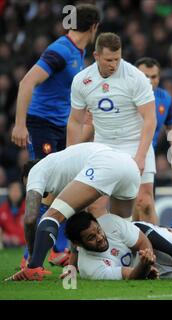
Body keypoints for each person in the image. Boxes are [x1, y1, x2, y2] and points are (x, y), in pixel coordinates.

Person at [10, 3, 100, 267]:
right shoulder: (60, 51)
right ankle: (31, 257)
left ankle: (56, 249)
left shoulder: (77, 51)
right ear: (94, 27)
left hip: (59, 126)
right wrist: (19, 124)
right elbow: (27, 82)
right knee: (45, 187)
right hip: (42, 125)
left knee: (65, 188)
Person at [5, 142, 142, 281]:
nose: (31, 190)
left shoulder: (35, 171)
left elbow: (29, 219)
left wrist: (32, 255)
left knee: (51, 216)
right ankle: (147, 264)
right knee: (123, 231)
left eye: (28, 185)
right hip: (130, 166)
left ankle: (34, 269)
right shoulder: (63, 172)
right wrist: (72, 267)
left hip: (104, 162)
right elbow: (77, 224)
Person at [66, 32, 157, 223]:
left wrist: (140, 156)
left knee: (145, 202)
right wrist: (70, 156)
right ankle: (110, 247)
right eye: (108, 60)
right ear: (96, 56)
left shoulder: (136, 77)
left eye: (117, 59)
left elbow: (150, 118)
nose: (114, 64)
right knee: (95, 206)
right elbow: (75, 121)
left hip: (135, 144)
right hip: (104, 146)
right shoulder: (82, 81)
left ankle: (152, 251)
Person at [63, 211, 172, 280]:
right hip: (143, 265)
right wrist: (145, 266)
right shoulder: (90, 268)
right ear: (79, 244)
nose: (100, 237)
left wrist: (150, 258)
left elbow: (142, 239)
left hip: (151, 241)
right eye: (92, 237)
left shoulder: (109, 222)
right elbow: (129, 275)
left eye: (98, 231)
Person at [133, 57, 172, 224]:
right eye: (145, 76)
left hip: (146, 155)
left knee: (144, 203)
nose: (150, 81)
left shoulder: (163, 98)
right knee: (131, 204)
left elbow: (171, 122)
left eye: (154, 77)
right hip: (122, 151)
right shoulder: (125, 94)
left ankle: (151, 247)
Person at [0, 181, 26, 247]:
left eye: (17, 191)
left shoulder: (28, 208)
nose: (15, 194)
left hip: (26, 244)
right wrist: (6, 238)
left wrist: (20, 240)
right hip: (7, 244)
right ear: (8, 192)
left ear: (22, 193)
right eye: (12, 191)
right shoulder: (2, 209)